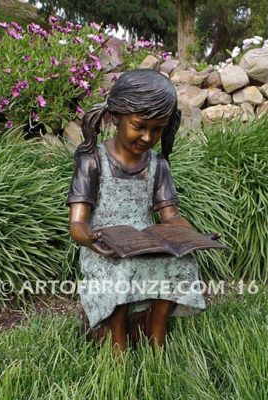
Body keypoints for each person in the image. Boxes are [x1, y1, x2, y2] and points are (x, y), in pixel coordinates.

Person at [67, 69, 206, 356]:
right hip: (104, 245)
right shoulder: (92, 160)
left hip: (145, 242)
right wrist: (92, 239)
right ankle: (116, 341)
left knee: (181, 264)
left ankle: (156, 332)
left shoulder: (158, 165)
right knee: (121, 269)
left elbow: (170, 216)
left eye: (157, 130)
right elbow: (77, 223)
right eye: (139, 126)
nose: (147, 137)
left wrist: (191, 236)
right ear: (116, 116)